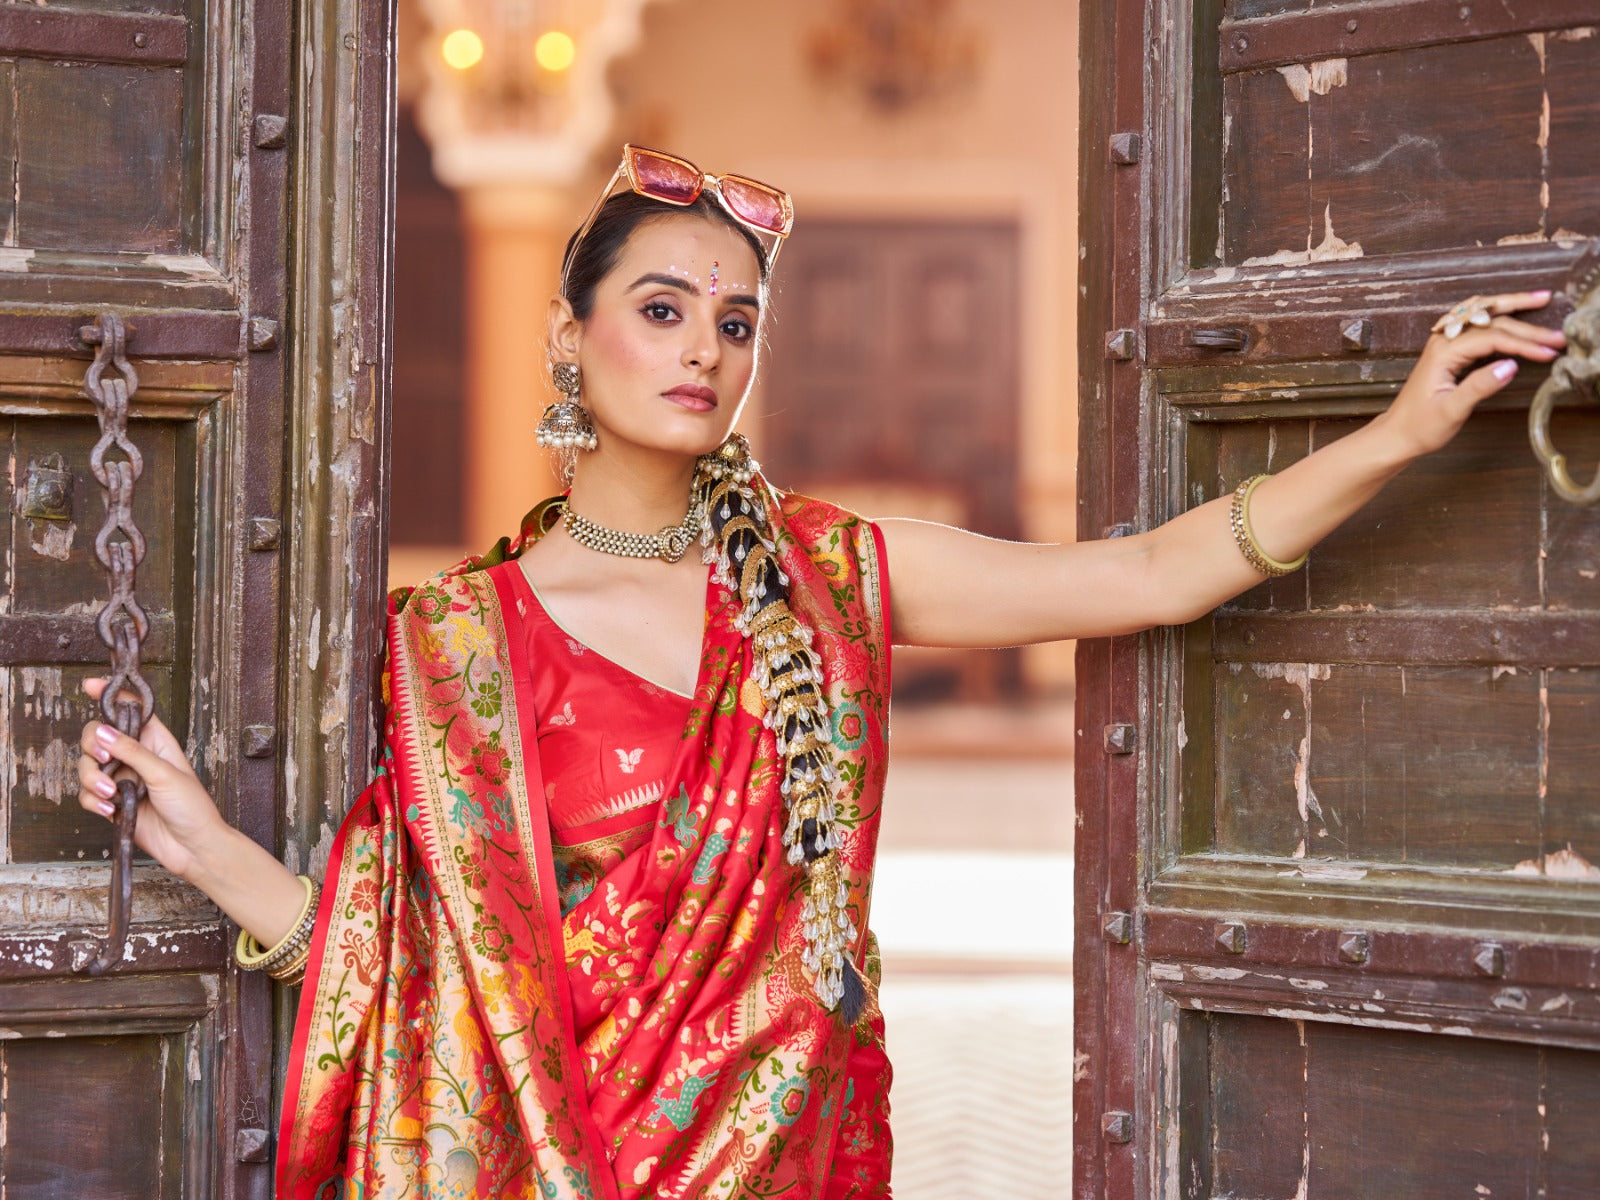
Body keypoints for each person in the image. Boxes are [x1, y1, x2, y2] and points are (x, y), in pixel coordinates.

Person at [74, 144, 1566, 1199]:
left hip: (781, 1155)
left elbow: (1150, 576)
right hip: (551, 1165)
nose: (703, 352)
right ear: (569, 336)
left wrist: (1401, 433)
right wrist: (207, 851)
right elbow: (404, 971)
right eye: (661, 310)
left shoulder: (832, 571)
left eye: (736, 323)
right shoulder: (456, 641)